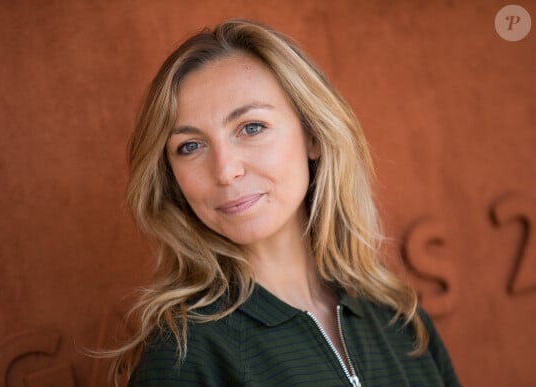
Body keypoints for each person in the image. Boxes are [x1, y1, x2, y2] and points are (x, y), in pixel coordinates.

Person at [111, 18, 461, 386]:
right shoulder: (185, 356)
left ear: (312, 135)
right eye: (191, 146)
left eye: (251, 127)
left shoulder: (399, 318)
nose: (225, 170)